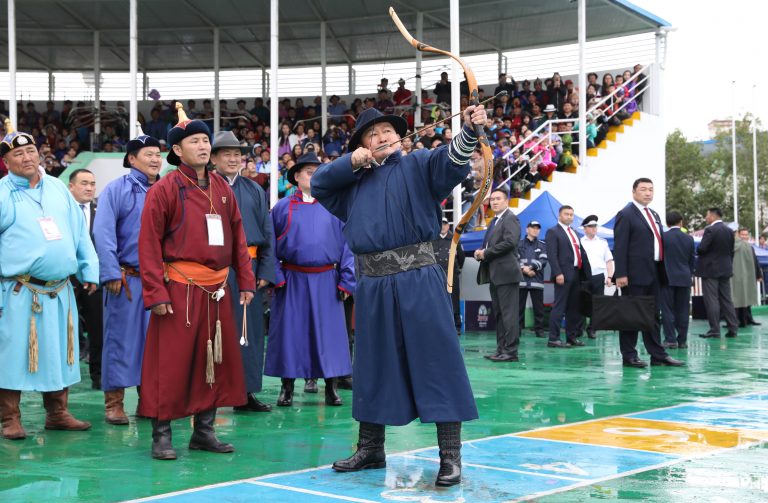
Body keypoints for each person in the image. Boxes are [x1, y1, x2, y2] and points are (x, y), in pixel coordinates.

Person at [312, 104, 486, 487]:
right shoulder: (350, 185)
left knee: (438, 360)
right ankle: (371, 447)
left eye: (388, 131)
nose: (383, 137)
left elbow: (453, 161)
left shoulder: (420, 164)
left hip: (418, 278)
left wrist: (470, 131)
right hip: (372, 284)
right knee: (372, 364)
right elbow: (319, 183)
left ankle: (450, 456)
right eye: (372, 134)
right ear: (361, 145)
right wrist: (351, 163)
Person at [137, 104, 255, 460]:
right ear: (177, 150)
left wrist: (246, 281)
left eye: (206, 140)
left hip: (217, 290)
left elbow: (237, 236)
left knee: (216, 362)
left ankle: (204, 431)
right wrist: (156, 292)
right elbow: (148, 244)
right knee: (171, 363)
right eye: (195, 142)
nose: (204, 147)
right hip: (179, 289)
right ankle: (161, 434)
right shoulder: (165, 189)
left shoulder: (222, 187)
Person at [0, 119, 98, 440]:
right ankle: (9, 418)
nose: (27, 158)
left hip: (60, 290)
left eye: (31, 151)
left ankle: (57, 413)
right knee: (12, 353)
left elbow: (78, 232)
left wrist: (89, 269)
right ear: (7, 162)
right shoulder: (2, 194)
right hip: (19, 290)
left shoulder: (57, 187)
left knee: (60, 352)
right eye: (19, 155)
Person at [265, 152, 354, 407]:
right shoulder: (282, 207)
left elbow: (348, 245)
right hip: (292, 279)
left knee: (329, 336)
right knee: (290, 335)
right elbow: (269, 246)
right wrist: (277, 277)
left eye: (319, 172)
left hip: (327, 279)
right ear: (296, 177)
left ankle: (331, 388)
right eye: (309, 172)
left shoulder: (335, 206)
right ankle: (287, 387)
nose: (314, 177)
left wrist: (346, 280)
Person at [92, 132, 161, 425]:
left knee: (156, 343)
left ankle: (150, 399)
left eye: (158, 154)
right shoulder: (115, 189)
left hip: (160, 279)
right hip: (126, 278)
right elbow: (103, 233)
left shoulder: (168, 189)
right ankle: (115, 402)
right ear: (132, 159)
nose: (155, 159)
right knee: (120, 340)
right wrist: (109, 272)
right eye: (149, 154)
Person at [210, 131, 277, 413]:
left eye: (238, 154)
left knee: (248, 331)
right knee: (214, 330)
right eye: (227, 154)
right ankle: (210, 391)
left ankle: (246, 392)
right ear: (213, 158)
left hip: (248, 268)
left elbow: (267, 231)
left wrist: (266, 268)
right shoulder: (204, 187)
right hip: (213, 270)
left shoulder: (254, 190)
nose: (234, 158)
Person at [613, 178, 683, 367]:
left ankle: (657, 354)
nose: (648, 193)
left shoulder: (654, 214)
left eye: (651, 190)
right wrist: (621, 273)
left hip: (654, 271)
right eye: (643, 189)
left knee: (653, 316)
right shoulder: (626, 214)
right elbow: (620, 246)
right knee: (631, 315)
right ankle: (629, 355)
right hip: (633, 274)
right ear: (634, 192)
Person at [475, 186, 522, 361]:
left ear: (506, 201)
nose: (494, 202)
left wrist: (486, 253)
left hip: (507, 273)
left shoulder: (510, 218)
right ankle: (502, 349)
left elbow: (510, 242)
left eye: (498, 199)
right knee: (500, 313)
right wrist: (481, 251)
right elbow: (491, 245)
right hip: (496, 273)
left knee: (508, 314)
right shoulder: (494, 221)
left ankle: (510, 351)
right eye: (492, 199)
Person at [68, 169, 103, 386]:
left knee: (99, 330)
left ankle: (98, 377)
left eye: (92, 183)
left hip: (95, 279)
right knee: (66, 331)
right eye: (84, 183)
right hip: (66, 278)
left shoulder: (102, 211)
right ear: (71, 186)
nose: (89, 187)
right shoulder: (60, 211)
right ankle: (63, 380)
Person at [545, 206, 590, 348]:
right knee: (559, 307)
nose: (569, 217)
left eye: (571, 215)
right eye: (566, 214)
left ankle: (571, 337)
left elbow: (580, 253)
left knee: (574, 308)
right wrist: (558, 273)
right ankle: (554, 338)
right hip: (563, 274)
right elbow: (552, 255)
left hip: (576, 273)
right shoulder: (553, 231)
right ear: (559, 215)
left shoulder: (575, 233)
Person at [696, 208, 739, 339]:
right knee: (727, 299)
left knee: (712, 300)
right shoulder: (729, 231)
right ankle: (733, 327)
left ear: (713, 216)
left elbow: (702, 248)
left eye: (707, 215)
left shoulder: (710, 230)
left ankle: (714, 329)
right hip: (725, 269)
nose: (706, 217)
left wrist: (698, 250)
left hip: (710, 270)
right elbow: (731, 251)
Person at [660, 211, 695, 349]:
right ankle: (682, 340)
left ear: (667, 223)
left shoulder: (663, 237)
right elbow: (692, 260)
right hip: (684, 277)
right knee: (683, 310)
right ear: (681, 222)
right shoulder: (689, 239)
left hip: (667, 277)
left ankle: (670, 339)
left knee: (667, 310)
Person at [579, 215, 614, 339]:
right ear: (585, 229)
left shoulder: (602, 243)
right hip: (583, 276)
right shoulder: (579, 242)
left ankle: (592, 328)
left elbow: (609, 261)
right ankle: (579, 328)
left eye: (595, 226)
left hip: (598, 276)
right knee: (582, 302)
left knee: (597, 303)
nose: (594, 228)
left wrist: (610, 277)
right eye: (591, 226)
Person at [433, 217, 466, 334]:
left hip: (452, 275)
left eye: (445, 224)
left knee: (454, 300)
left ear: (448, 226)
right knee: (437, 300)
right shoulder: (433, 240)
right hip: (436, 275)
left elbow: (462, 257)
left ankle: (456, 326)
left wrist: (457, 270)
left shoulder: (454, 239)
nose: (443, 226)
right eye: (441, 224)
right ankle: (439, 327)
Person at [518, 221, 547, 338]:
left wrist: (530, 268)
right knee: (518, 308)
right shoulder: (518, 244)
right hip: (521, 281)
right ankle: (517, 330)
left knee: (539, 309)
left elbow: (544, 260)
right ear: (527, 229)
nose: (535, 230)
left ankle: (539, 330)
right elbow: (514, 258)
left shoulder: (542, 245)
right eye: (532, 228)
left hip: (537, 282)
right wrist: (523, 269)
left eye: (537, 228)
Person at [731, 228, 763, 327]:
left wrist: (758, 275)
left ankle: (748, 318)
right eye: (742, 234)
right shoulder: (733, 246)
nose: (744, 236)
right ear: (738, 235)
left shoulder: (750, 247)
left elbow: (755, 261)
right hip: (737, 276)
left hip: (747, 276)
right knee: (739, 299)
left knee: (746, 299)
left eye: (746, 234)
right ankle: (739, 320)